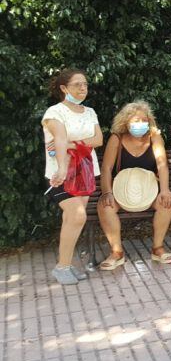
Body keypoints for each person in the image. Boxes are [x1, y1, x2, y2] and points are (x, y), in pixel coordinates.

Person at [42, 69, 104, 285]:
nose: (82, 88)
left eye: (85, 84)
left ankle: (65, 265)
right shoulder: (54, 112)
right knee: (77, 215)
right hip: (62, 174)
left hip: (86, 171)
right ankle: (62, 267)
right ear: (64, 88)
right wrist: (61, 167)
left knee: (73, 219)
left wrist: (73, 143)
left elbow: (98, 140)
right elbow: (59, 139)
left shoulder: (90, 112)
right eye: (77, 84)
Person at [97, 101, 171, 269]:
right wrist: (107, 193)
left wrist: (165, 190)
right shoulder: (116, 138)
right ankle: (116, 252)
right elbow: (106, 168)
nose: (140, 124)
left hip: (149, 189)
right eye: (135, 120)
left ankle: (158, 248)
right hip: (121, 190)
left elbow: (162, 164)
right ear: (126, 122)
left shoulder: (154, 137)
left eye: (144, 120)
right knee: (105, 207)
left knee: (166, 202)